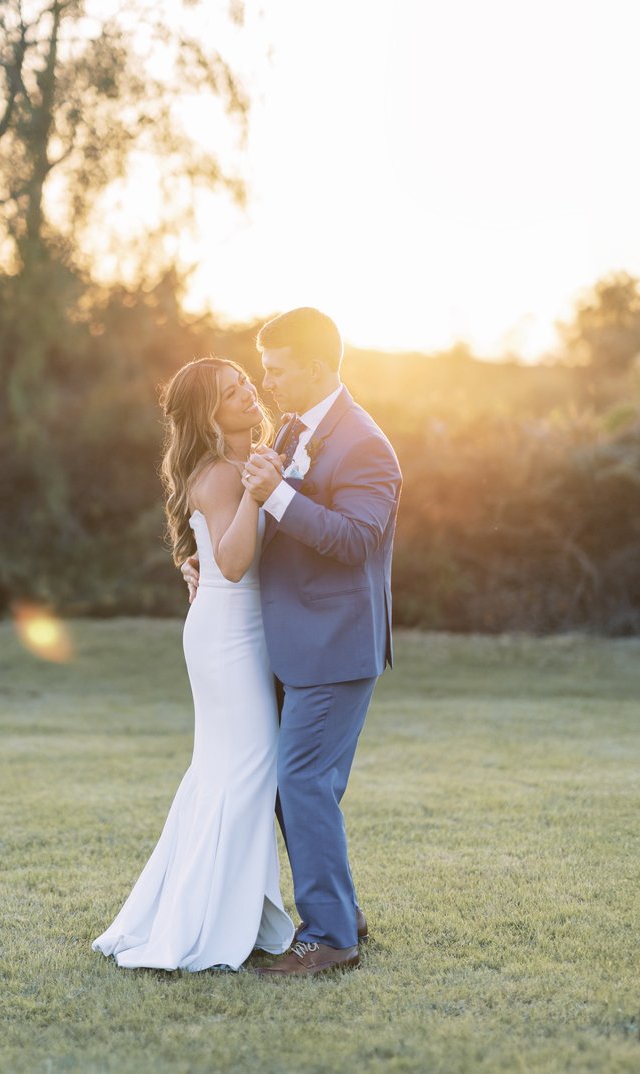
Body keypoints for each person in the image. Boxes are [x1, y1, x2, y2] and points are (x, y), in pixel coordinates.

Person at [183, 307, 402, 977]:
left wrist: (276, 493)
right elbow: (246, 525)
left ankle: (331, 937)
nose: (268, 382)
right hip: (283, 640)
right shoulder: (290, 429)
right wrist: (199, 562)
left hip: (335, 646)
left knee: (301, 781)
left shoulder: (365, 444)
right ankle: (342, 911)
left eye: (276, 370)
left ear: (314, 364)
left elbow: (353, 541)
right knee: (293, 786)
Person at [91, 357, 295, 971]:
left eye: (246, 385)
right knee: (246, 772)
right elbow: (231, 564)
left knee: (228, 772)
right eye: (233, 393)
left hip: (244, 629)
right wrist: (259, 495)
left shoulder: (246, 461)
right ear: (208, 414)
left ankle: (223, 909)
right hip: (229, 635)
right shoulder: (219, 476)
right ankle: (215, 920)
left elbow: (208, 555)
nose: (248, 396)